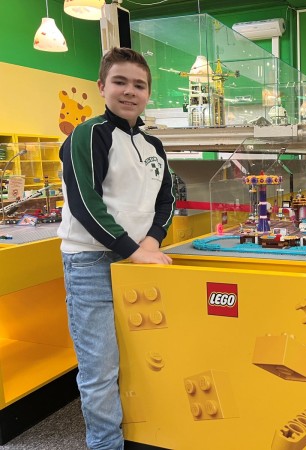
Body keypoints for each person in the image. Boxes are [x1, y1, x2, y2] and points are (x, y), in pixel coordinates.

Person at [58, 47, 175, 450]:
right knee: (100, 369)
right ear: (101, 86)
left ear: (148, 93)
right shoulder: (87, 134)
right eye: (120, 82)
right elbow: (84, 202)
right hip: (91, 262)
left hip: (137, 259)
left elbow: (166, 199)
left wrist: (152, 239)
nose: (129, 91)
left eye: (139, 85)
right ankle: (106, 444)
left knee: (141, 356)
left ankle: (139, 435)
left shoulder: (153, 144)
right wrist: (132, 249)